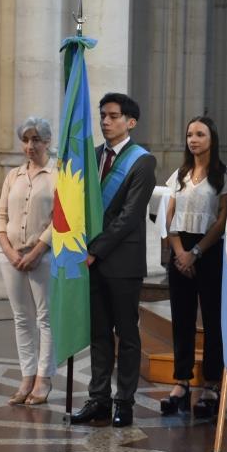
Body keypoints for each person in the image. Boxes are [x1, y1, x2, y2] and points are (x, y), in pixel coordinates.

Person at [71, 93, 157, 428]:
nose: (105, 121)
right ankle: (99, 399)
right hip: (92, 260)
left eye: (113, 116)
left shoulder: (142, 161)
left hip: (122, 262)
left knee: (127, 334)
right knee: (99, 334)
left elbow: (129, 215)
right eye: (102, 115)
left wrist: (95, 250)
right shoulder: (93, 157)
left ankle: (125, 401)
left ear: (130, 122)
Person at [160, 115, 227, 419]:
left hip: (210, 250)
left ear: (211, 139)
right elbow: (168, 216)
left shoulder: (225, 175)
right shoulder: (179, 175)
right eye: (190, 134)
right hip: (181, 252)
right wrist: (180, 253)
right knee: (182, 318)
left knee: (213, 320)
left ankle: (212, 383)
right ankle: (182, 381)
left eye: (200, 134)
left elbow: (223, 219)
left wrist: (197, 252)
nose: (193, 139)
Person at [0, 117, 56, 405]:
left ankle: (44, 379)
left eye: (36, 140)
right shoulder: (13, 176)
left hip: (43, 255)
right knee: (22, 319)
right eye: (26, 140)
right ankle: (27, 376)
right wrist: (8, 250)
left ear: (47, 142)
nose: (30, 146)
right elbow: (1, 216)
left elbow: (61, 220)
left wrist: (37, 251)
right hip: (11, 256)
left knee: (45, 319)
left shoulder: (59, 174)